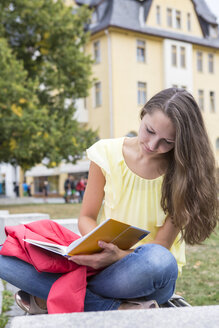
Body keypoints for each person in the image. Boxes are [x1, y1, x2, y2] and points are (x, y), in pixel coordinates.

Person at [0, 88, 218, 314]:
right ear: (142, 115)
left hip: (145, 274)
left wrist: (117, 257)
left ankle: (51, 294)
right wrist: (97, 252)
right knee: (3, 257)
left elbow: (160, 248)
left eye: (167, 142)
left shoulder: (183, 174)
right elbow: (86, 217)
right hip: (101, 265)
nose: (153, 145)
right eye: (149, 131)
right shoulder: (106, 152)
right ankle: (119, 307)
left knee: (160, 260)